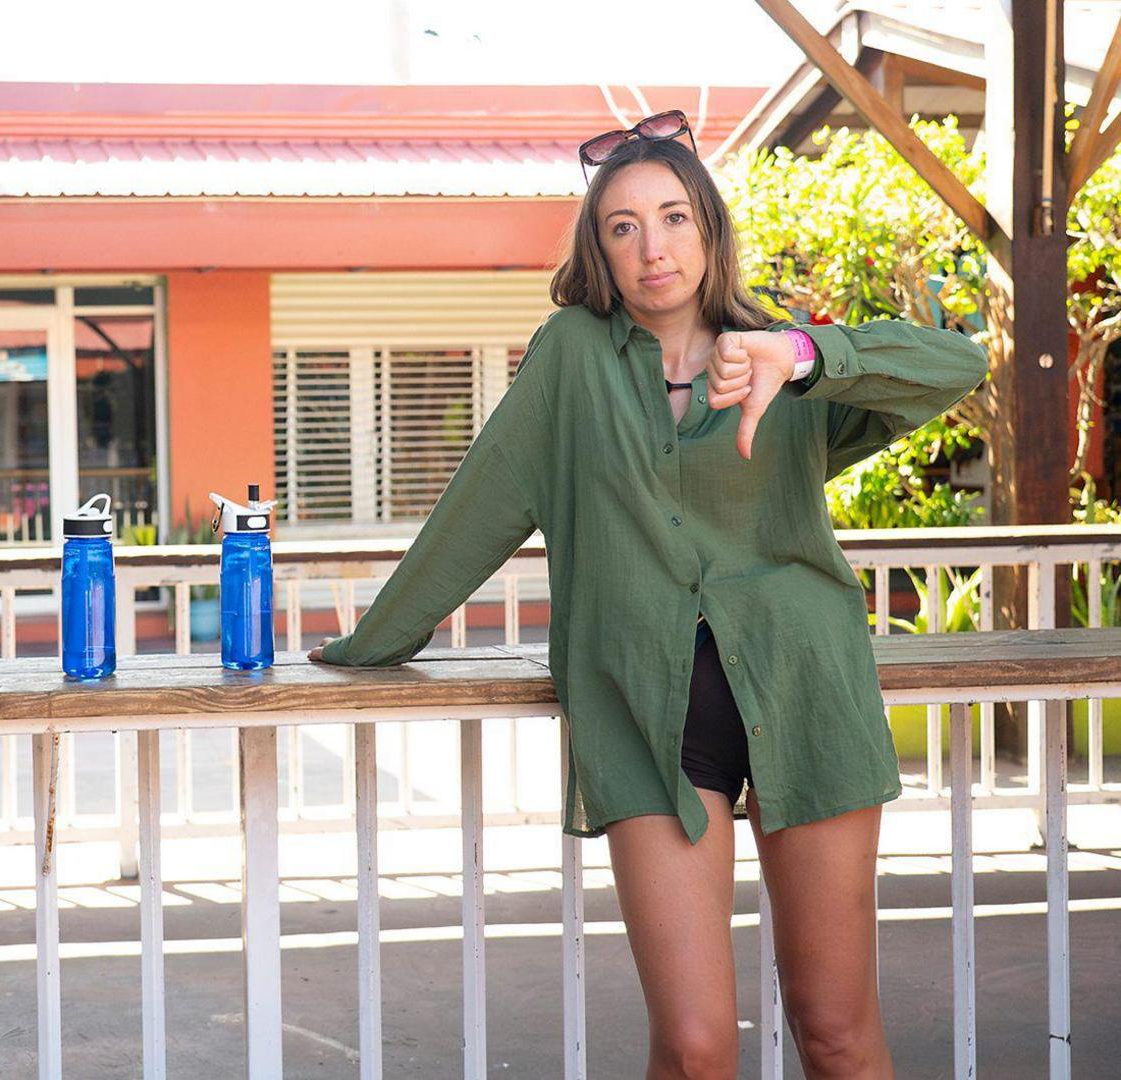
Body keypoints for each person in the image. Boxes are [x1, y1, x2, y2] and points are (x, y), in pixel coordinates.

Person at [308, 111, 987, 1079]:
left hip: (806, 695)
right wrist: (369, 643)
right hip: (651, 721)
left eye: (672, 218)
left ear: (709, 229)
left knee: (836, 1032)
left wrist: (801, 356)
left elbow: (957, 366)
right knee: (698, 1044)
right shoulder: (571, 359)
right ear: (600, 250)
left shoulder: (779, 358)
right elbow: (478, 509)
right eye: (622, 227)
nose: (651, 248)